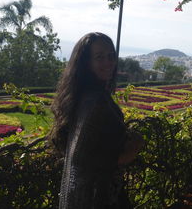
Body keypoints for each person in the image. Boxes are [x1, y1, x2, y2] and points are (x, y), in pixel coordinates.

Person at [50, 32, 145, 209]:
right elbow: (81, 157)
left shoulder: (83, 94)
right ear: (86, 63)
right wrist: (127, 154)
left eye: (111, 56)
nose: (108, 62)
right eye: (99, 57)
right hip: (98, 197)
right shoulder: (95, 101)